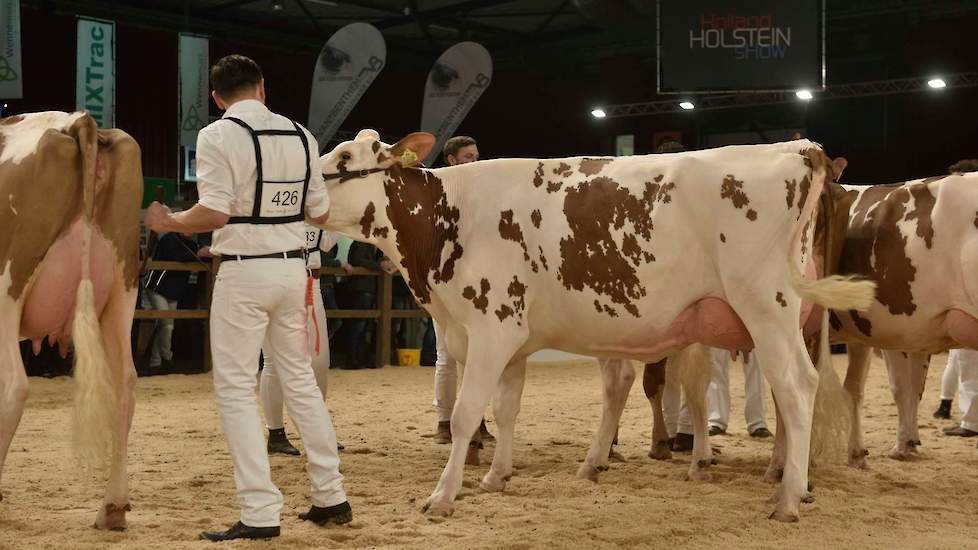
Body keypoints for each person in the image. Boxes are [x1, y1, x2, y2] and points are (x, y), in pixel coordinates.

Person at [144, 54, 351, 542]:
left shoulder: (217, 135)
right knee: (299, 381)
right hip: (292, 269)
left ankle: (260, 511)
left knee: (236, 388)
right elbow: (320, 213)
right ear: (262, 87)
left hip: (243, 273)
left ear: (216, 97)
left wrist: (170, 221)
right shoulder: (304, 136)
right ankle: (331, 496)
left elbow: (214, 214)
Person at [260, 227, 352, 456]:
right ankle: (276, 433)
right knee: (273, 361)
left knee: (319, 362)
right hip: (267, 280)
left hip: (310, 284)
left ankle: (316, 429)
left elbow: (327, 242)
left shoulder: (315, 207)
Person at [427, 136, 493, 444]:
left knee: (478, 355)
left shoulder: (483, 196)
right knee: (447, 356)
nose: (474, 160)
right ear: (451, 160)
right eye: (468, 156)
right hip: (445, 285)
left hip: (478, 286)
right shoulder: (436, 192)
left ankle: (475, 421)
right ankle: (444, 421)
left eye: (476, 155)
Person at [143, 230, 211, 373]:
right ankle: (167, 358)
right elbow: (176, 255)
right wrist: (199, 253)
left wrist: (207, 252)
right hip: (157, 287)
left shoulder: (192, 244)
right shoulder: (169, 239)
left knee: (164, 325)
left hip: (174, 291)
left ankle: (155, 362)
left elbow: (202, 258)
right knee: (167, 325)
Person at [344, 240, 384, 369]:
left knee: (363, 326)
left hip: (366, 289)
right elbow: (357, 260)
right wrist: (379, 266)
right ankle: (352, 359)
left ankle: (359, 358)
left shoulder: (369, 246)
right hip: (361, 288)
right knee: (358, 326)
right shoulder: (361, 243)